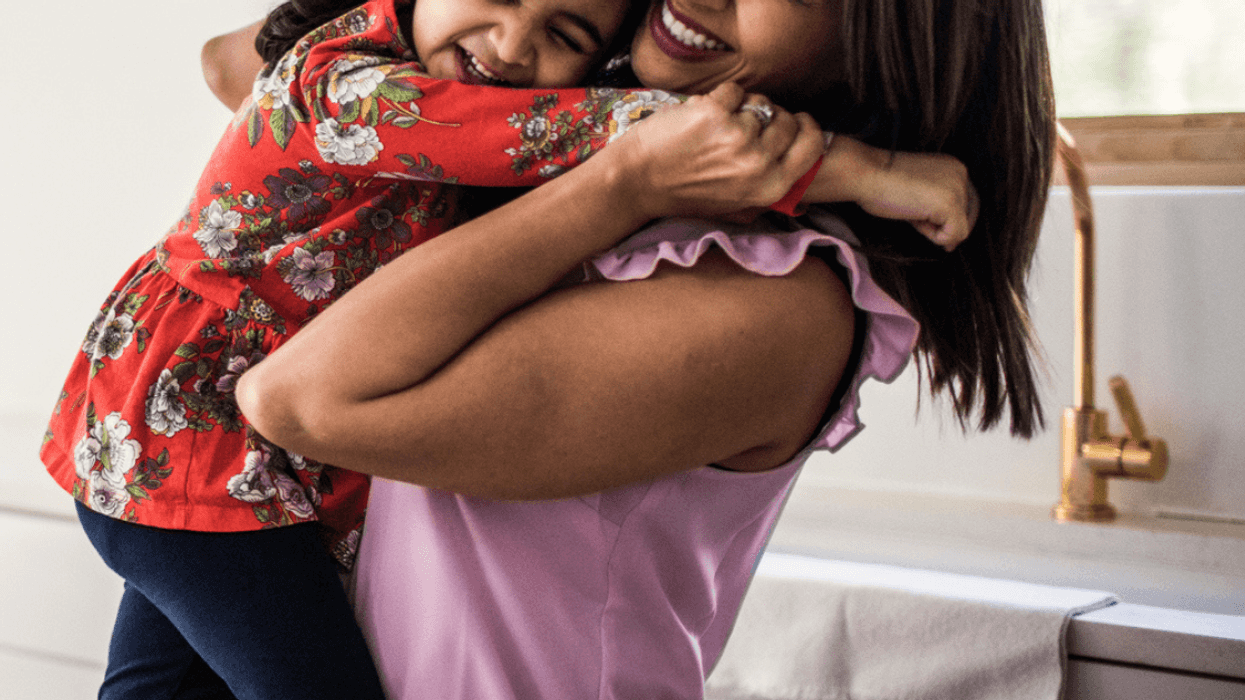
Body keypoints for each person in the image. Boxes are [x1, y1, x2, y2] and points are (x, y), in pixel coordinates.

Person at [45, 1, 983, 698]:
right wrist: (859, 169)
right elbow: (242, 66)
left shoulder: (765, 299)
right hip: (189, 432)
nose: (510, 44)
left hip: (218, 439)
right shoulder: (398, 98)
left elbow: (300, 400)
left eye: (565, 29)